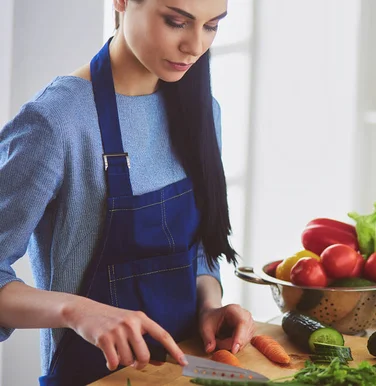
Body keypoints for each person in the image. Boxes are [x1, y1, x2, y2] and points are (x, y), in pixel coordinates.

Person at [0, 0, 256, 384]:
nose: (195, 46)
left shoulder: (203, 111)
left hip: (184, 373)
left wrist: (209, 306)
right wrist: (77, 311)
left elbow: (200, 245)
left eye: (211, 26)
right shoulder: (56, 123)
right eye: (176, 22)